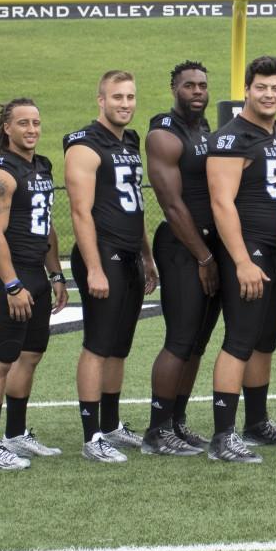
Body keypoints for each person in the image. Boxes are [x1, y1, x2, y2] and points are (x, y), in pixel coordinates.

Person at [64, 70, 159, 464]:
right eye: (117, 97)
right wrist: (94, 268)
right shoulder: (84, 145)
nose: (125, 103)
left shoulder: (129, 141)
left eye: (130, 97)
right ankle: (91, 436)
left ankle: (112, 424)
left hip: (129, 253)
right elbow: (80, 212)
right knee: (97, 346)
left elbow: (133, 205)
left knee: (119, 347)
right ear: (100, 100)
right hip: (101, 254)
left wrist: (148, 256)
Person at [205, 55, 276, 463]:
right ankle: (224, 435)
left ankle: (256, 422)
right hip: (248, 249)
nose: (269, 94)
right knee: (240, 341)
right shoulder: (231, 137)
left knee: (264, 343)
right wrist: (241, 261)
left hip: (275, 251)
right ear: (246, 90)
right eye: (262, 87)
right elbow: (222, 203)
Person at [0, 98, 69, 470]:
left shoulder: (41, 166)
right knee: (1, 361)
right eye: (23, 123)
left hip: (36, 270)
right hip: (9, 274)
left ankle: (15, 434)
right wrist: (12, 285)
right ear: (7, 128)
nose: (32, 129)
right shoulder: (0, 172)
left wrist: (57, 273)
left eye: (36, 123)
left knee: (31, 355)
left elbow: (45, 225)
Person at [141, 61, 219, 457]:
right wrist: (204, 258)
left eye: (202, 85)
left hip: (208, 246)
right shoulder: (163, 134)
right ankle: (156, 431)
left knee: (198, 344)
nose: (196, 91)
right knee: (179, 339)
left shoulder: (205, 130)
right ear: (174, 88)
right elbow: (172, 205)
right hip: (182, 248)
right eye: (188, 85)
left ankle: (176, 421)